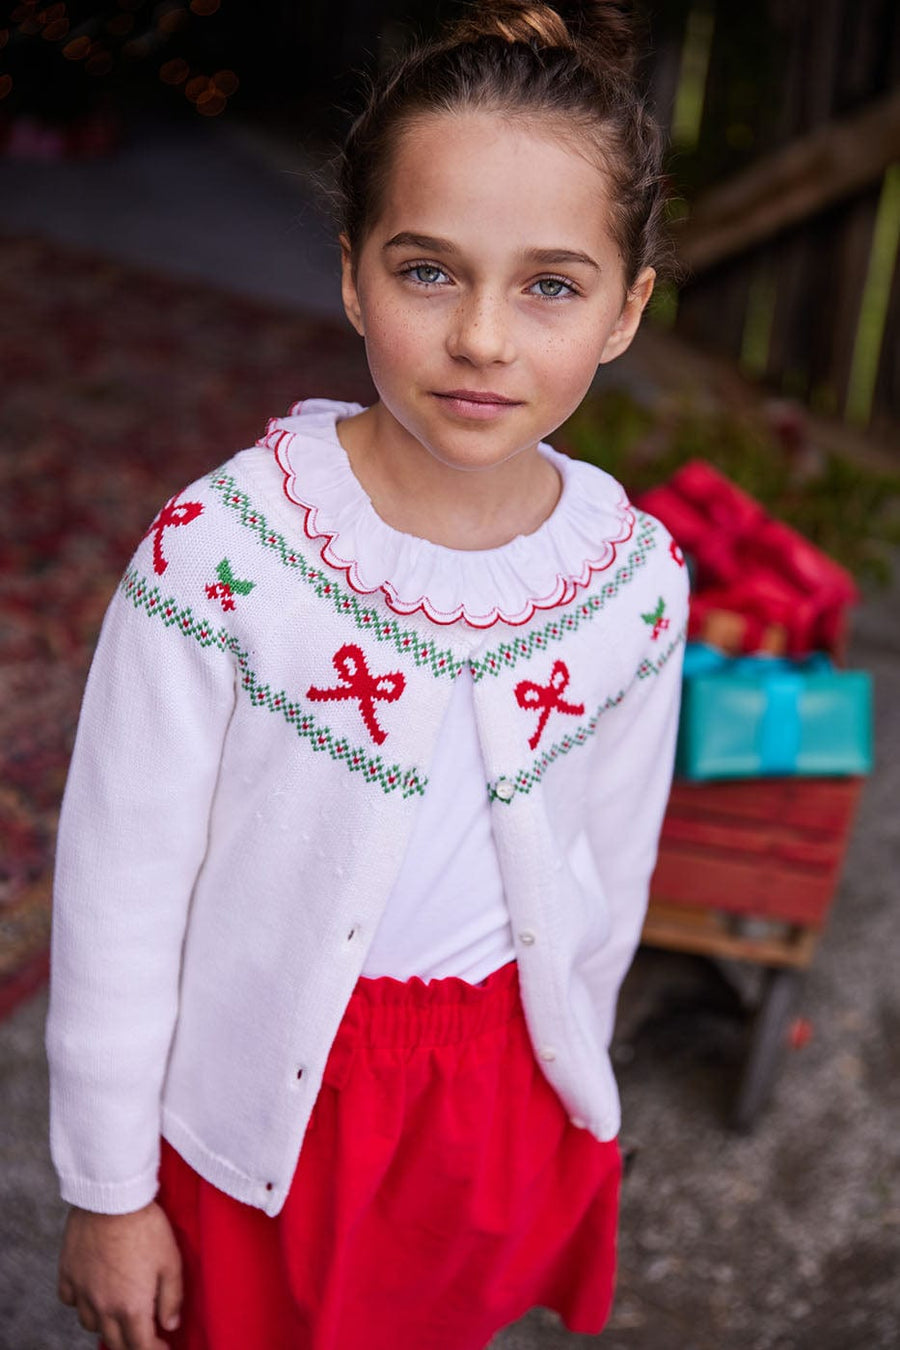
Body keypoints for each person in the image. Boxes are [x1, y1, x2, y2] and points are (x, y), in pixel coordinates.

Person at [47, 2, 689, 1347]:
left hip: (495, 1099)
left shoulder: (634, 579)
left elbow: (611, 861)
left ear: (628, 308)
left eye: (551, 284)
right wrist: (109, 1188)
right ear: (351, 275)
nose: (484, 339)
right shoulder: (225, 557)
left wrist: (578, 1055)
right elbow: (119, 888)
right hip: (269, 1111)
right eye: (429, 271)